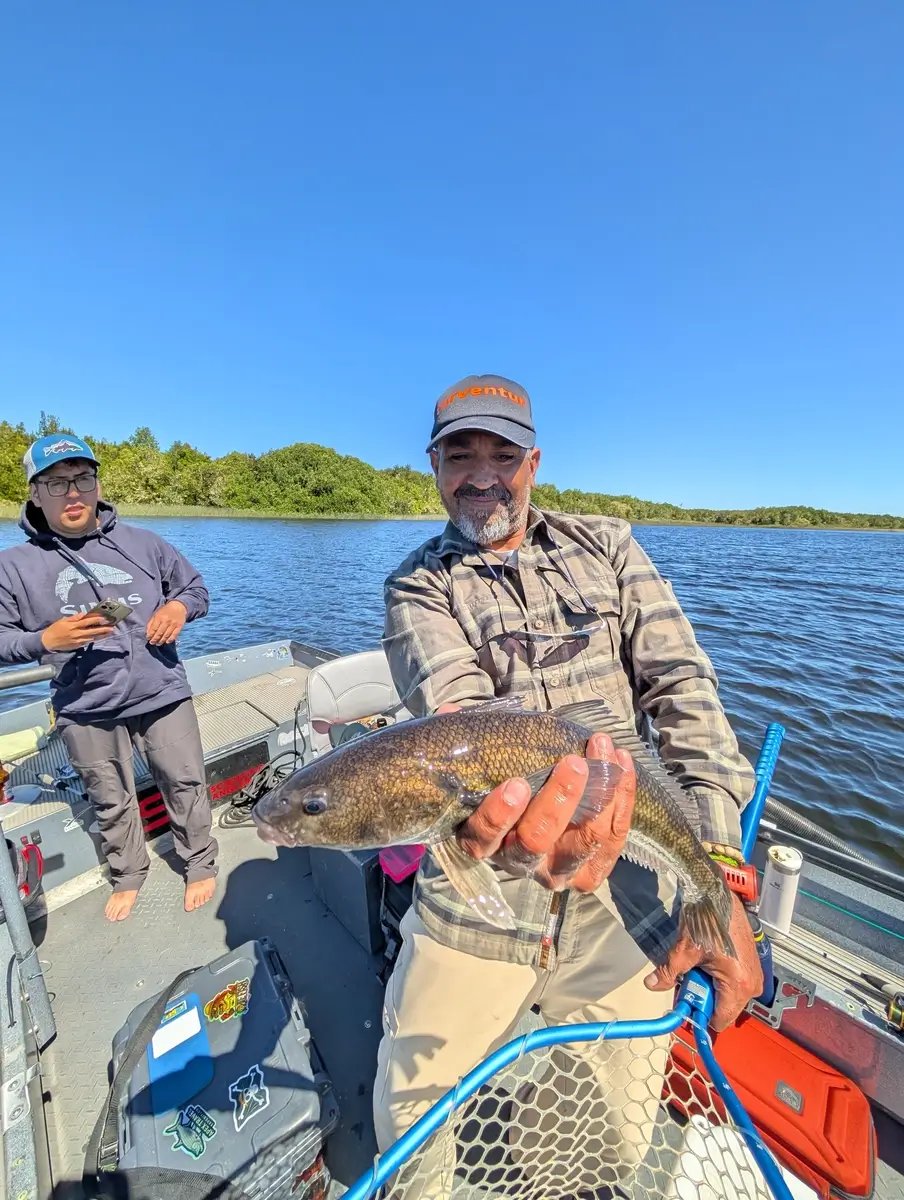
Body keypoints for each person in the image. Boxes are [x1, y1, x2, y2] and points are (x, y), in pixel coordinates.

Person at [375, 375, 763, 1193]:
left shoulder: (611, 545)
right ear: (433, 464)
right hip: (477, 892)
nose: (482, 473)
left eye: (502, 453)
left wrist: (719, 870)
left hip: (626, 892)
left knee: (602, 1128)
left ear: (534, 461)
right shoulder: (416, 585)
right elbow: (462, 720)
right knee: (413, 1112)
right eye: (460, 453)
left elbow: (684, 693)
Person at [0, 433, 218, 921]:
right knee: (109, 797)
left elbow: (196, 587)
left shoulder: (143, 542)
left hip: (161, 691)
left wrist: (180, 607)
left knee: (184, 782)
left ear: (97, 483)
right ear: (34, 493)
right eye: (56, 483)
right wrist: (44, 641)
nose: (72, 492)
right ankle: (128, 874)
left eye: (82, 478)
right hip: (84, 705)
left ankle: (200, 861)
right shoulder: (13, 567)